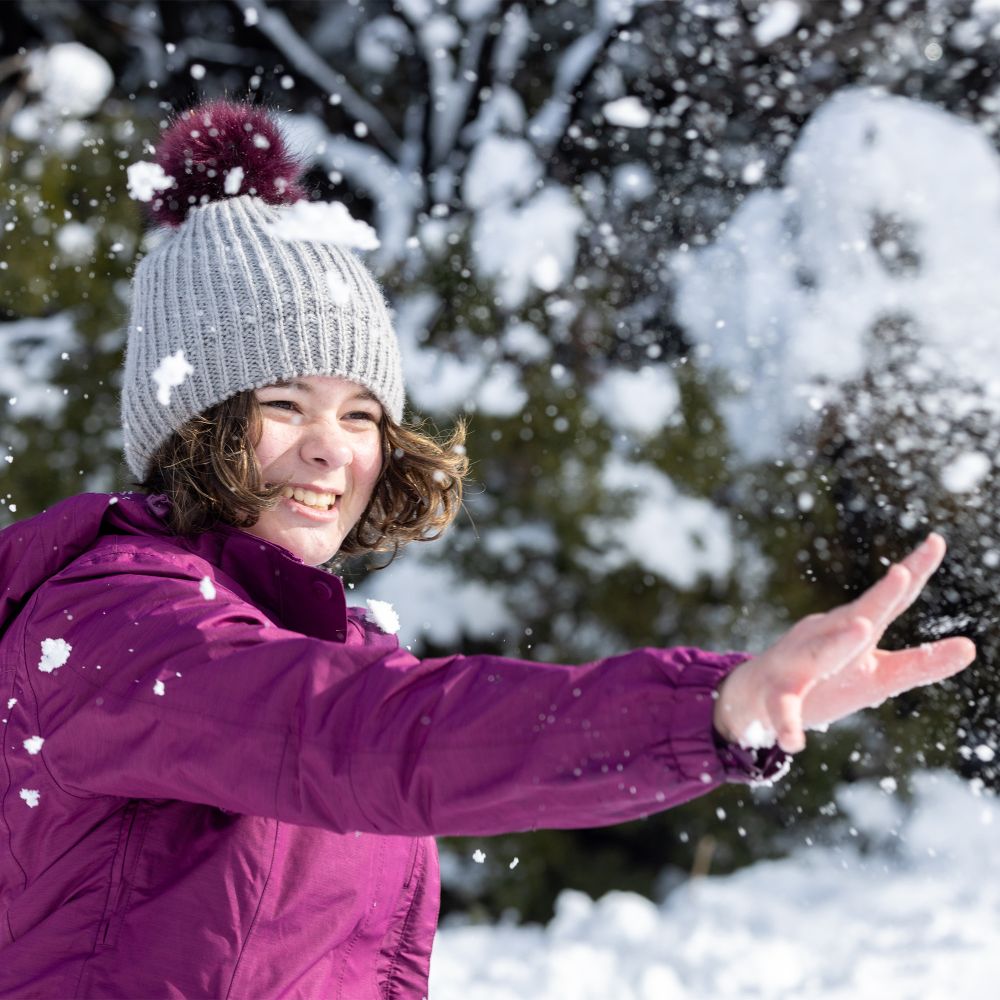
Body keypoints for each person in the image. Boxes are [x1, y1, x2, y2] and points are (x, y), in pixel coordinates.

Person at [0, 101, 974, 1000]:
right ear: (193, 429)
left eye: (360, 412)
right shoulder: (113, 625)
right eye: (282, 405)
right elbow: (371, 740)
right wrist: (706, 708)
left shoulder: (336, 642)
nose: (331, 446)